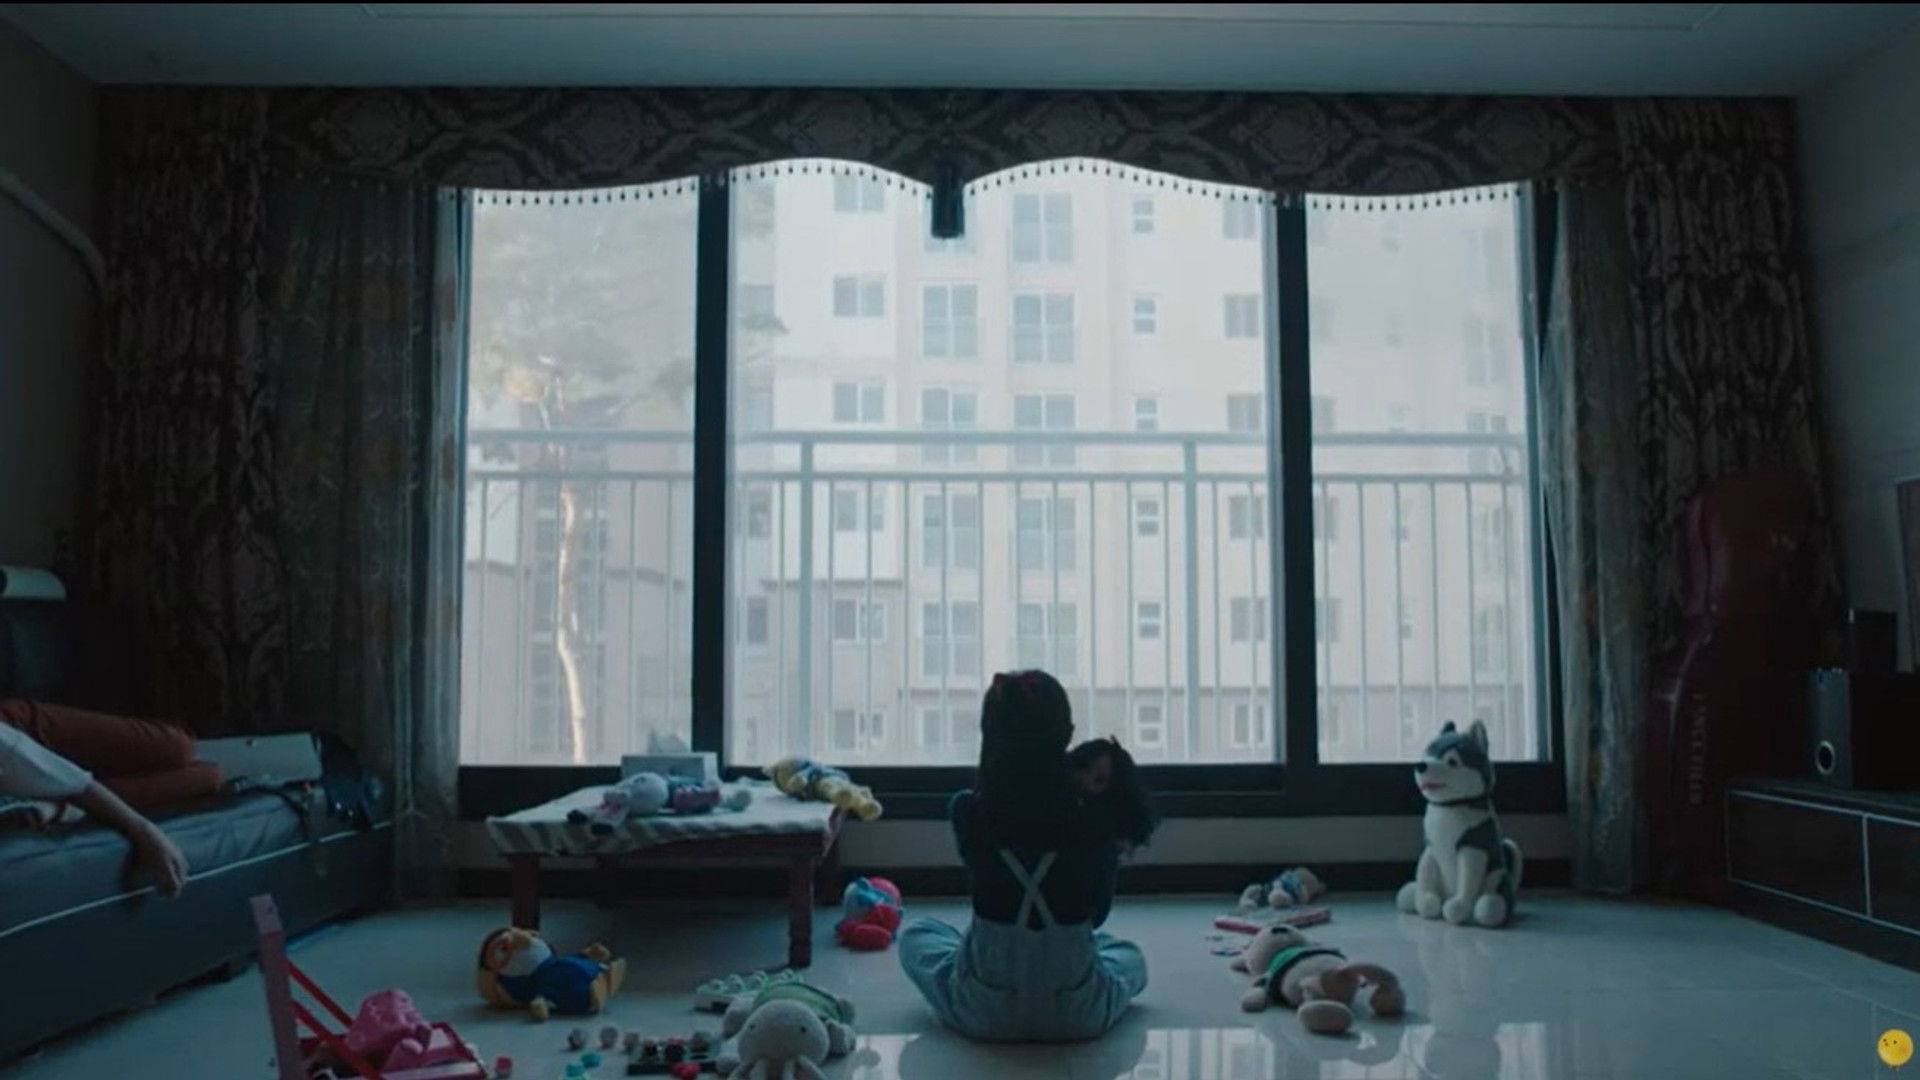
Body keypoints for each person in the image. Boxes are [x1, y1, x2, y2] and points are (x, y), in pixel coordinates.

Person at [897, 670, 1148, 1041]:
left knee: (916, 936)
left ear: (989, 734)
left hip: (983, 1011)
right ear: (1066, 736)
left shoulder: (967, 811)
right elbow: (1096, 917)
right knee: (1129, 956)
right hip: (1079, 1013)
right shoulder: (1094, 822)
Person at [0, 705, 195, 897]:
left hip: (19, 728)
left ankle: (60, 802)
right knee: (204, 777)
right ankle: (61, 803)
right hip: (31, 780)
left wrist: (144, 830)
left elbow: (80, 784)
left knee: (177, 747)